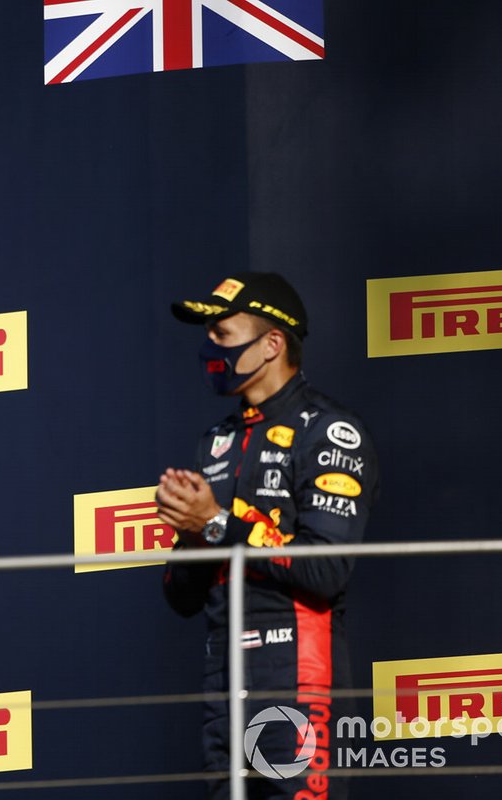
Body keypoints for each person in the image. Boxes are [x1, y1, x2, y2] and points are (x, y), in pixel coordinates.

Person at [156, 272, 378, 800]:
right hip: (223, 676)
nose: (210, 345)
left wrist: (213, 523)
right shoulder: (217, 442)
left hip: (297, 674)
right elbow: (181, 598)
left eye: (222, 333)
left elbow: (326, 570)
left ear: (272, 343)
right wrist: (189, 536)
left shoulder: (328, 431)